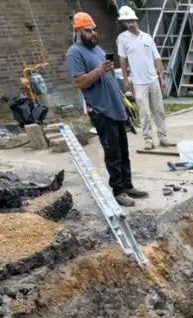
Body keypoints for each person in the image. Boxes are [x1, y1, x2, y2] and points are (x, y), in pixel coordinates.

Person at [66, 12, 149, 207]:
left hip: (115, 107)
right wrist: (99, 70)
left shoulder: (97, 50)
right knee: (113, 153)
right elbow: (79, 82)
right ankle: (118, 191)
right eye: (89, 30)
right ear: (79, 31)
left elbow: (108, 78)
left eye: (94, 29)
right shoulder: (74, 53)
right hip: (102, 110)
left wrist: (122, 101)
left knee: (123, 151)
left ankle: (127, 185)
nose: (93, 33)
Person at [116, 6, 173, 151]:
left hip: (153, 79)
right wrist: (126, 79)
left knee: (159, 110)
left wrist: (162, 78)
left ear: (136, 20)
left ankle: (163, 137)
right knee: (145, 112)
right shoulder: (122, 39)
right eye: (127, 22)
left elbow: (157, 58)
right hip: (138, 82)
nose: (130, 23)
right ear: (124, 23)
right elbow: (123, 60)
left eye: (132, 20)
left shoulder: (147, 37)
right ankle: (148, 139)